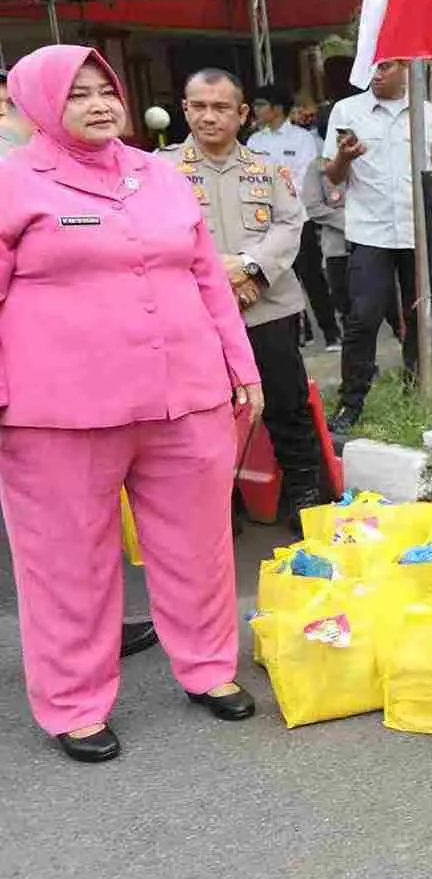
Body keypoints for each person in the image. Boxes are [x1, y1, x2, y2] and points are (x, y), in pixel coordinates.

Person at [0, 45, 263, 762]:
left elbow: (208, 274)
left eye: (105, 90)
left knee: (199, 546)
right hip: (57, 414)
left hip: (186, 397)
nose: (98, 103)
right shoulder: (13, 182)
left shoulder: (159, 175)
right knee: (66, 562)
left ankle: (208, 667)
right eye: (76, 93)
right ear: (36, 106)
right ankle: (73, 704)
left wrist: (240, 366)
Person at [169, 68, 327, 533]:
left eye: (220, 108)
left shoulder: (268, 171)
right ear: (184, 110)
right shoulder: (161, 173)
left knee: (286, 402)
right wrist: (215, 270)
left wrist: (248, 265)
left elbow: (290, 224)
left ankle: (304, 496)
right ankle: (222, 502)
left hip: (267, 308)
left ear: (242, 114)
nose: (208, 117)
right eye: (198, 106)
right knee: (206, 413)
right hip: (194, 313)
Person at [322, 58, 432, 430]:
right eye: (373, 66)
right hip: (370, 233)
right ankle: (351, 403)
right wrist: (345, 156)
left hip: (418, 234)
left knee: (421, 317)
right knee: (363, 317)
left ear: (406, 68)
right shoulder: (347, 110)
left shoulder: (426, 113)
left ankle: (418, 390)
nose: (376, 73)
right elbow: (334, 177)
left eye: (386, 66)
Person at [249, 82, 338, 350]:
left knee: (311, 277)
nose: (256, 110)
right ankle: (301, 333)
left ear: (276, 109)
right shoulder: (255, 141)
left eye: (261, 105)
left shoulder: (302, 139)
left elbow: (304, 178)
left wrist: (279, 196)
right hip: (266, 222)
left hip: (299, 220)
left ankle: (331, 332)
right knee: (276, 278)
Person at [300, 137, 350, 327]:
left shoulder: (367, 158)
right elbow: (313, 207)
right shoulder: (318, 166)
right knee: (344, 304)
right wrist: (349, 221)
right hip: (337, 247)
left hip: (372, 242)